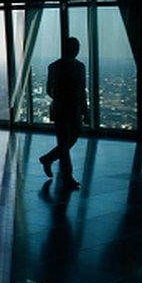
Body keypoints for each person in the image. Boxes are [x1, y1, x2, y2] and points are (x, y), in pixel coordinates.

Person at [39, 36, 87, 189]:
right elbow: (81, 90)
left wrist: (60, 98)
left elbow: (49, 89)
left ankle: (48, 159)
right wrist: (84, 109)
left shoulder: (54, 66)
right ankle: (66, 175)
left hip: (61, 108)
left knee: (65, 141)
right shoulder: (80, 67)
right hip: (71, 108)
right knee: (69, 140)